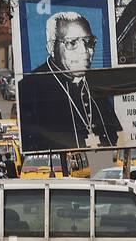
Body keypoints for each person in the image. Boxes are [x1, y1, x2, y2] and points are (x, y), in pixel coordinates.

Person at [18, 12, 122, 151]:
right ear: (51, 48)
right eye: (72, 43)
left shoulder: (96, 81)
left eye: (89, 42)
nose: (84, 51)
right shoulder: (29, 88)